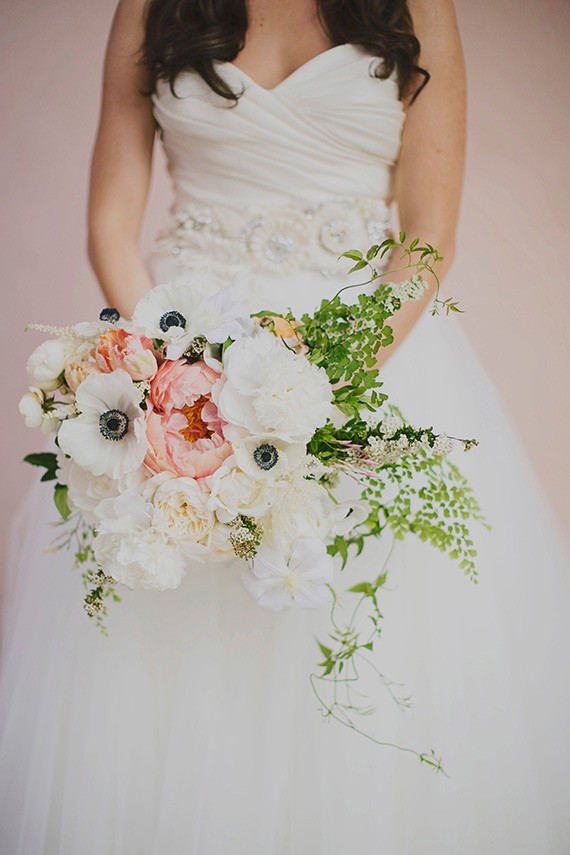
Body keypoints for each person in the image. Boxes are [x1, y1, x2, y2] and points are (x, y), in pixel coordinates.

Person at [1, 1, 569, 853]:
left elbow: (426, 239)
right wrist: (176, 378)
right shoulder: (153, 5)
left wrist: (322, 388)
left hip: (366, 363)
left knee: (356, 645)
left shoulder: (417, 7)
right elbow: (110, 222)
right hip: (182, 352)